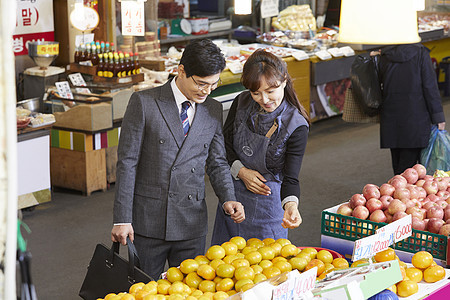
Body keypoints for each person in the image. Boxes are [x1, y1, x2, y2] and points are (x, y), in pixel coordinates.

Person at [111, 39, 245, 280]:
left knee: (189, 290)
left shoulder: (212, 109)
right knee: (145, 289)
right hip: (149, 220)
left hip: (191, 219)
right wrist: (122, 218)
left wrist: (228, 198)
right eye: (201, 83)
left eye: (213, 84)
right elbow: (127, 163)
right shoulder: (144, 103)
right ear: (181, 71)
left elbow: (217, 161)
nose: (206, 91)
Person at [211, 49, 310, 245]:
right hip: (233, 195)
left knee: (264, 266)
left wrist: (291, 205)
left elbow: (291, 177)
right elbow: (224, 145)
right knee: (224, 262)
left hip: (268, 200)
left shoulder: (296, 124)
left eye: (270, 91)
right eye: (256, 93)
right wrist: (241, 171)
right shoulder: (241, 101)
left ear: (284, 81)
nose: (264, 100)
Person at [371, 43, 446, 175]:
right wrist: (438, 117)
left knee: (399, 165)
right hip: (416, 118)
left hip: (391, 119)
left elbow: (376, 85)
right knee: (411, 170)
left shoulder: (384, 55)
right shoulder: (421, 53)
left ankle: (399, 189)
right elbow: (430, 88)